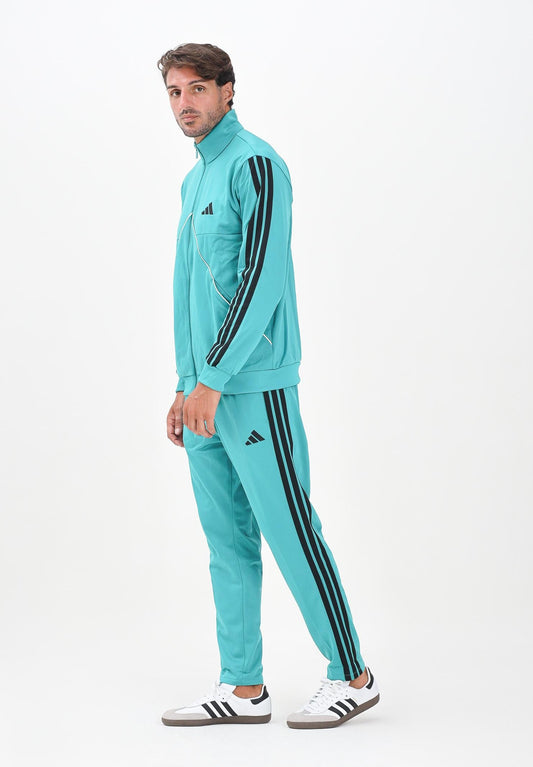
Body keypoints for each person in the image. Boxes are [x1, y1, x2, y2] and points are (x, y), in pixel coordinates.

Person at [157, 42, 379, 730]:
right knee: (226, 541)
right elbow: (191, 291)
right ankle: (242, 685)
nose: (185, 103)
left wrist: (215, 377)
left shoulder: (256, 163)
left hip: (251, 387)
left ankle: (352, 674)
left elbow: (261, 280)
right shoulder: (195, 179)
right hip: (204, 395)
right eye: (174, 92)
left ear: (228, 91)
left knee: (290, 529)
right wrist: (185, 384)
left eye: (197, 89)